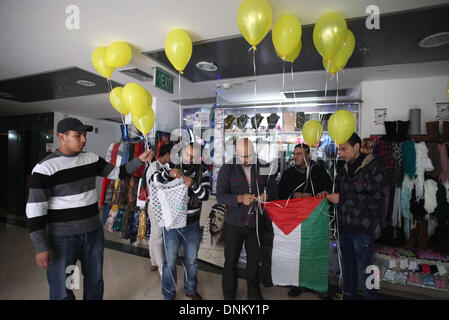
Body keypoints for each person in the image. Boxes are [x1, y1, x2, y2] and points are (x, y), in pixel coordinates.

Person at [26, 117, 153, 300]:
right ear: (62, 137)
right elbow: (35, 209)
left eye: (85, 135)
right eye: (78, 136)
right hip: (63, 239)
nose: (84, 140)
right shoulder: (45, 168)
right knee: (63, 287)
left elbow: (118, 172)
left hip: (93, 235)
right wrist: (41, 245)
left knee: (94, 281)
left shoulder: (91, 159)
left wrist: (139, 160)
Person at [321, 133, 386, 300]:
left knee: (368, 274)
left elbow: (377, 198)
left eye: (344, 149)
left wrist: (342, 198)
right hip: (344, 229)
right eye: (339, 149)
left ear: (356, 147)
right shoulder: (344, 170)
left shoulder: (374, 166)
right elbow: (339, 194)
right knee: (347, 273)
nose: (341, 153)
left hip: (363, 230)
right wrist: (328, 196)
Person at [216, 138, 277, 300]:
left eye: (249, 155)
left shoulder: (263, 165)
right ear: (235, 154)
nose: (246, 159)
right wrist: (239, 198)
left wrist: (267, 195)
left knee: (254, 264)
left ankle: (254, 295)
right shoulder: (227, 168)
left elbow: (273, 187)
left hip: (256, 223)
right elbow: (220, 196)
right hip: (234, 223)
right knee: (230, 262)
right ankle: (229, 296)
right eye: (242, 156)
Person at [150, 142, 211, 300]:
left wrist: (193, 185)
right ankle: (168, 292)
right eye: (187, 155)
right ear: (181, 153)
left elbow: (206, 195)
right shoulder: (170, 166)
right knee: (169, 261)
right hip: (172, 223)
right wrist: (168, 174)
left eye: (194, 156)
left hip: (192, 224)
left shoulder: (202, 171)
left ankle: (191, 289)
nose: (190, 159)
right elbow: (153, 180)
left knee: (191, 261)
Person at [278, 143, 332, 297]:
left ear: (308, 155)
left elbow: (329, 189)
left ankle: (319, 285)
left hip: (315, 222)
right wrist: (293, 197)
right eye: (294, 154)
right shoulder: (288, 174)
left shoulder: (319, 172)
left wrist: (316, 195)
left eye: (299, 154)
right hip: (296, 222)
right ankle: (299, 284)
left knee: (315, 253)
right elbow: (281, 195)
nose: (295, 157)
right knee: (297, 254)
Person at [145, 144, 172, 275]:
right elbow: (156, 186)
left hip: (161, 205)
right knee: (157, 237)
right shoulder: (153, 167)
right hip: (156, 205)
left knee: (155, 234)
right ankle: (162, 269)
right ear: (167, 155)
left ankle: (154, 262)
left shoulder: (165, 167)